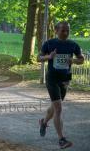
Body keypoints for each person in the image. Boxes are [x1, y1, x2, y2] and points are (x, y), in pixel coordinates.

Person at [37, 21, 84, 149]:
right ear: (56, 30)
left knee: (54, 106)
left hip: (65, 79)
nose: (65, 33)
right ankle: (61, 139)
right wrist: (49, 57)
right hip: (52, 78)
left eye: (67, 30)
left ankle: (43, 122)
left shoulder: (73, 45)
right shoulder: (49, 43)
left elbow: (81, 59)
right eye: (63, 30)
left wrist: (73, 60)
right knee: (58, 108)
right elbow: (38, 58)